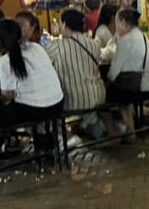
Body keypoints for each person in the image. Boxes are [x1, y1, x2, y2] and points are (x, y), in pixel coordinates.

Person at [0, 19, 64, 152]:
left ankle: (4, 144)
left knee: (1, 107)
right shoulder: (37, 47)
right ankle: (45, 138)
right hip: (57, 104)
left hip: (36, 111)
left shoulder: (5, 61)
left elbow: (7, 95)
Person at [45, 9, 106, 142]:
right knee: (89, 110)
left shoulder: (56, 47)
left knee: (50, 107)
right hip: (99, 94)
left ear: (64, 25)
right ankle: (92, 126)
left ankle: (69, 137)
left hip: (74, 99)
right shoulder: (93, 44)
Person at [106, 9, 149, 135]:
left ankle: (124, 132)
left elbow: (113, 72)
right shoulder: (141, 35)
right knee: (121, 94)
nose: (116, 26)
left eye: (117, 23)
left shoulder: (126, 40)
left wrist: (106, 82)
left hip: (140, 85)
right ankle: (129, 129)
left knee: (104, 97)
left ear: (123, 23)